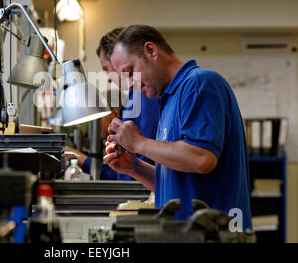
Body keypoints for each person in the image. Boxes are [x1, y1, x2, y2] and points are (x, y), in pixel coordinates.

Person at [103, 25, 252, 229]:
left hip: (215, 234)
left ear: (151, 51)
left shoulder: (200, 83)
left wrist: (139, 143)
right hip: (185, 232)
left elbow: (201, 159)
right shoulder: (168, 99)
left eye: (130, 72)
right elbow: (174, 183)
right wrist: (134, 167)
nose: (129, 85)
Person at [77, 27, 160, 180]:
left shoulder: (143, 94)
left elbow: (147, 158)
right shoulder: (133, 97)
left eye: (106, 68)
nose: (108, 78)